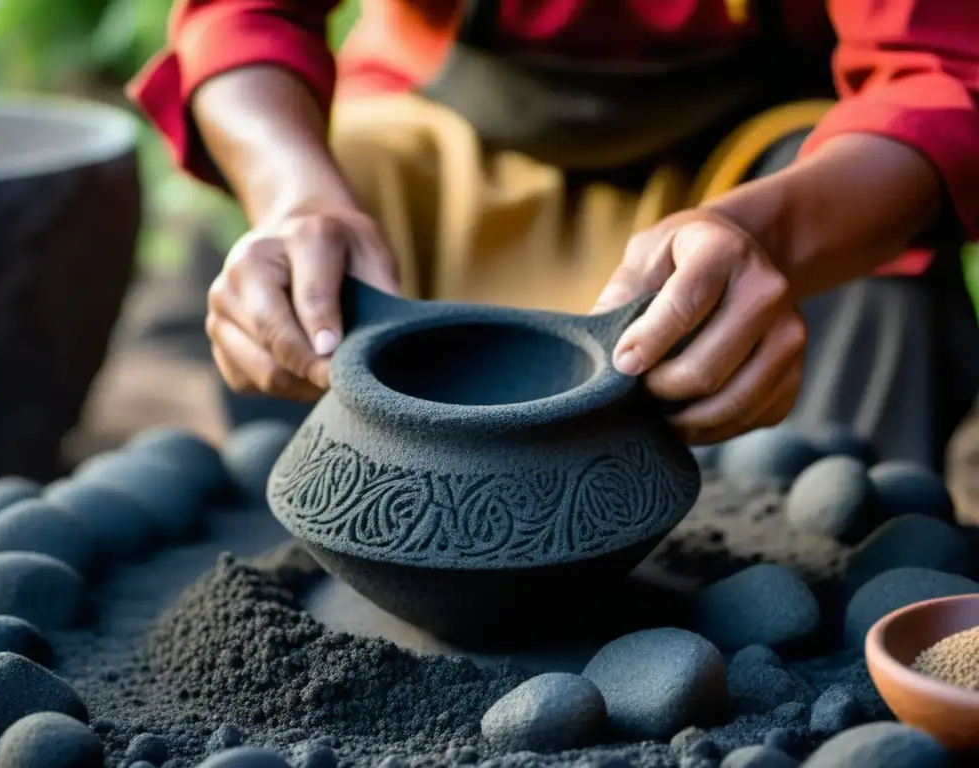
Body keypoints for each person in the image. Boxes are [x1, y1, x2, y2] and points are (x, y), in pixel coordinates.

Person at [129, 0, 979, 472]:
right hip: (446, 139)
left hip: (755, 168)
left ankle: (839, 562)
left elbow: (940, 70)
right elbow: (243, 15)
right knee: (307, 259)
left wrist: (769, 234)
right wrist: (293, 199)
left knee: (880, 278)